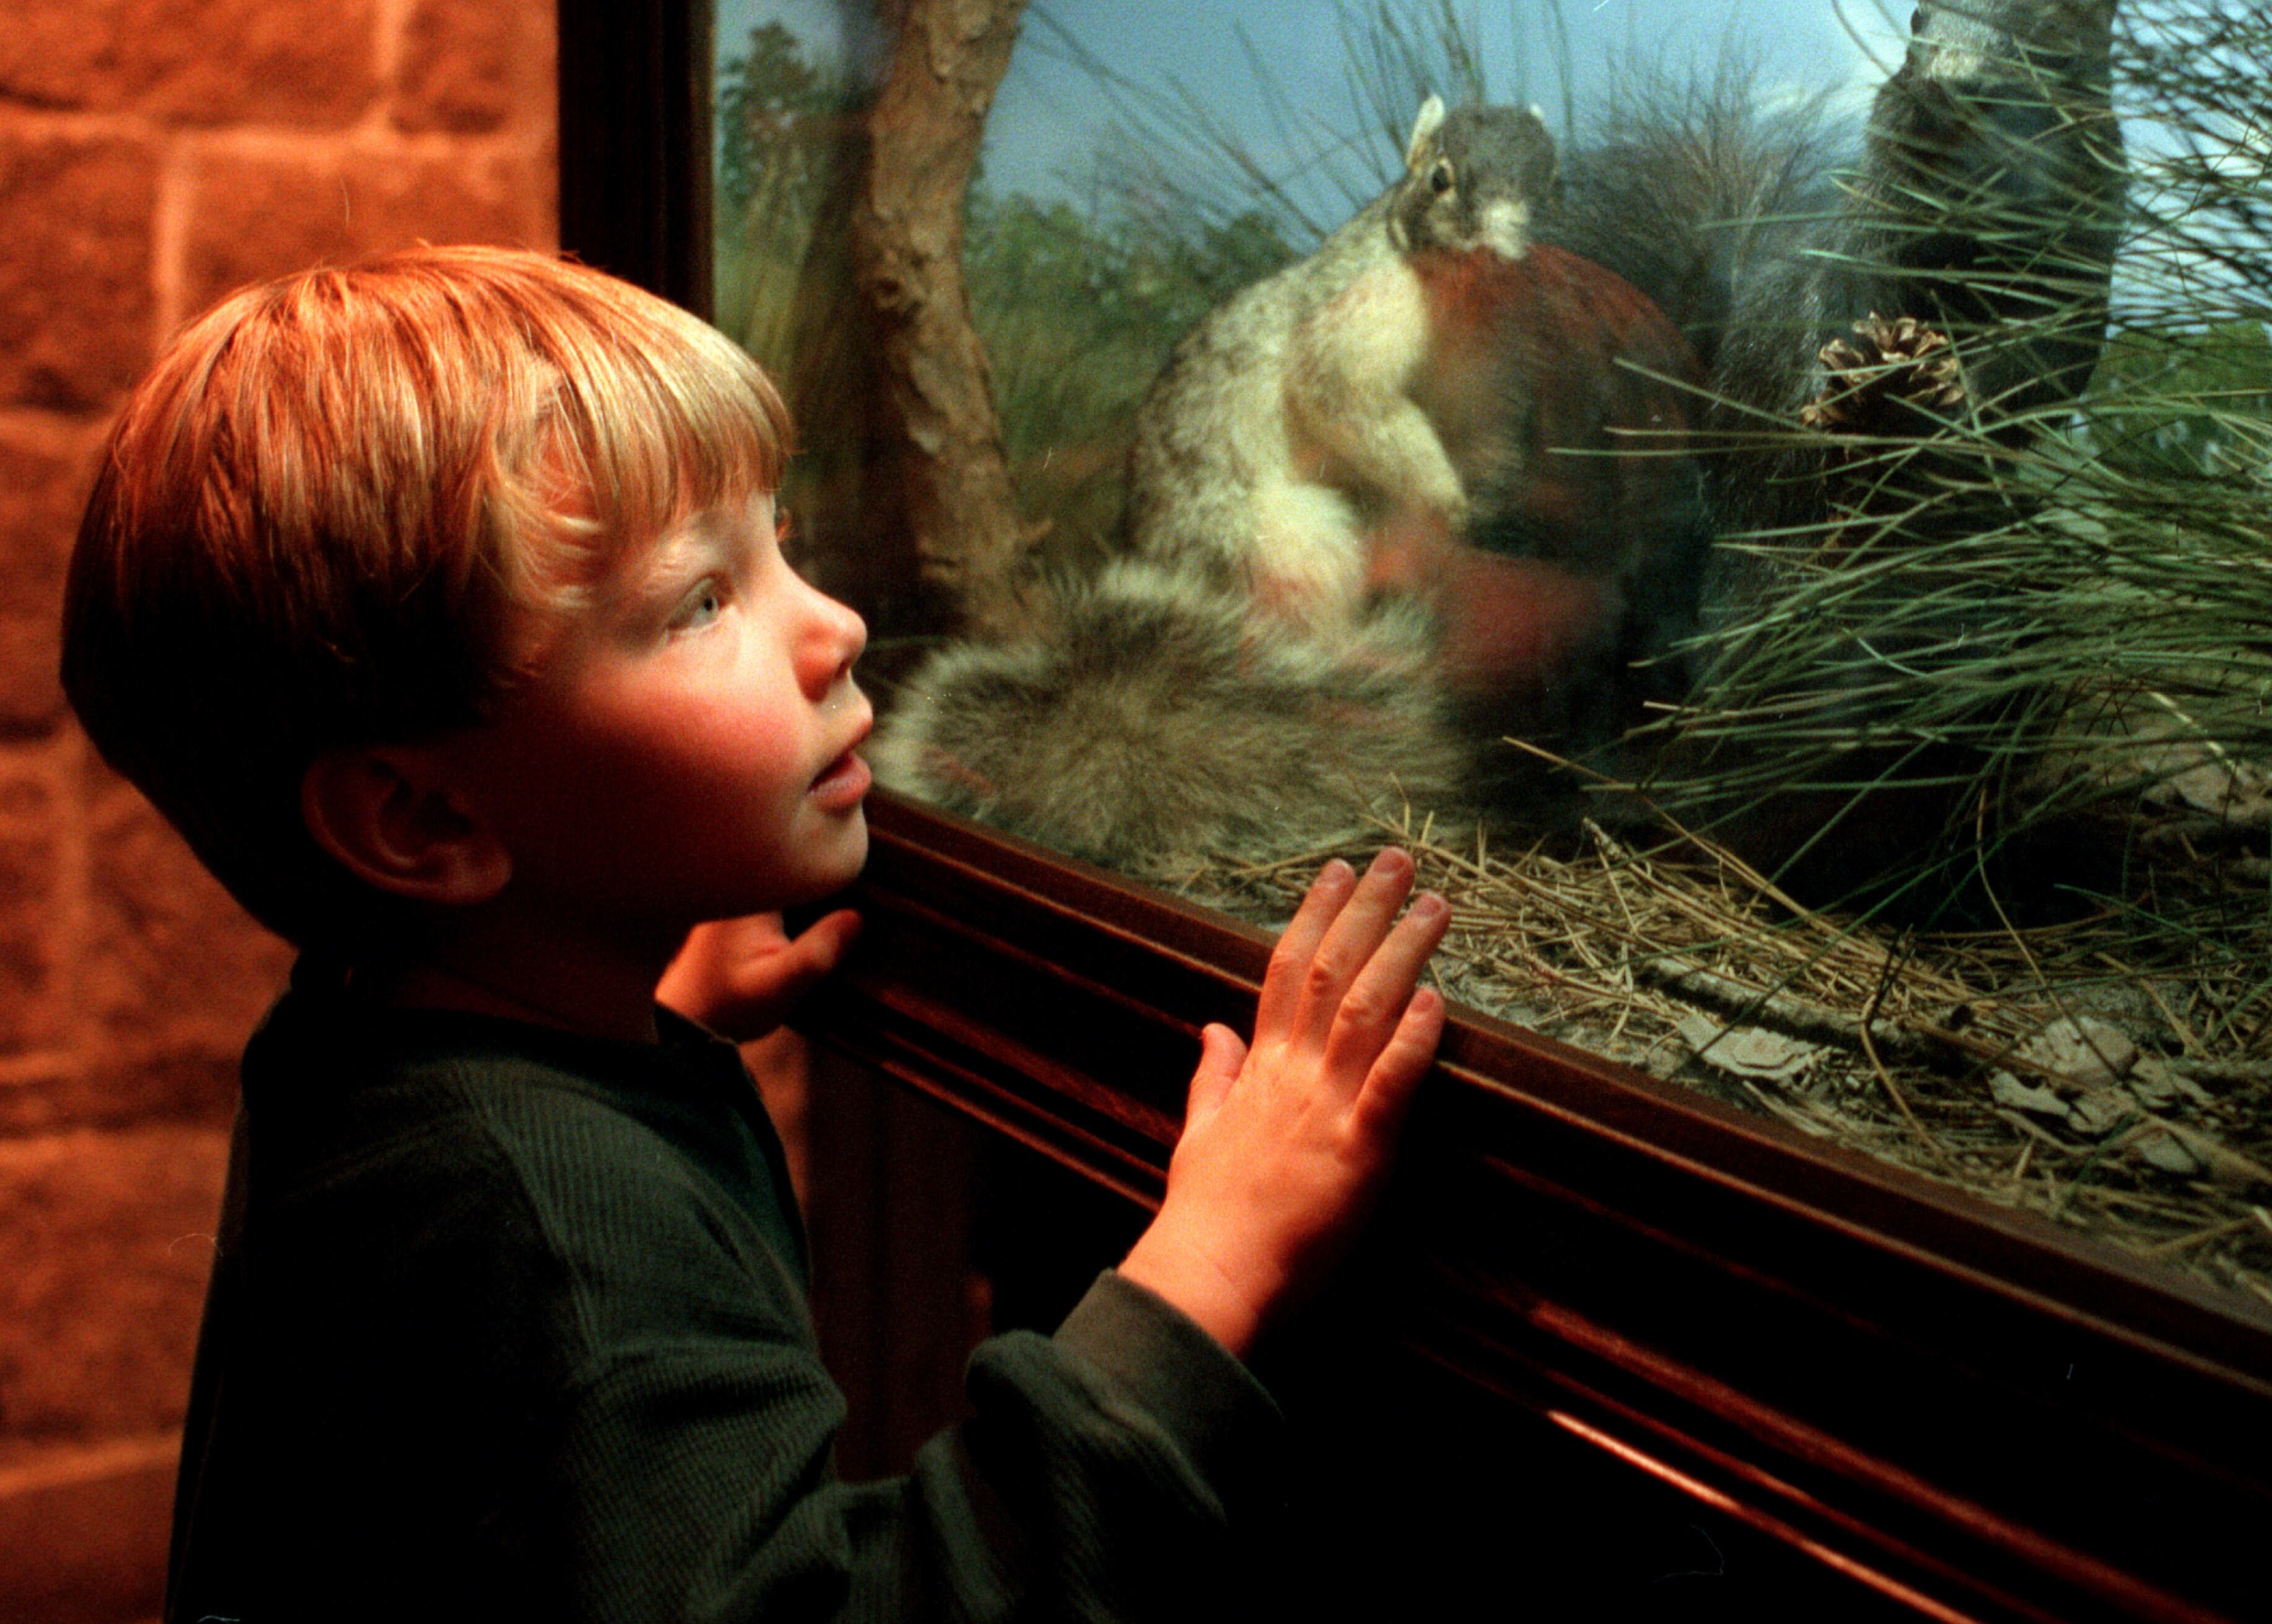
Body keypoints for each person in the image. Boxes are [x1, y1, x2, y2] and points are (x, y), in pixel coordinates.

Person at [60, 245, 1451, 1624]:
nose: (836, 624)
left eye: (779, 540)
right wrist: (1216, 1254)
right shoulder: (557, 1237)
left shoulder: (360, 1054)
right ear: (422, 822)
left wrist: (643, 998)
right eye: (701, 602)